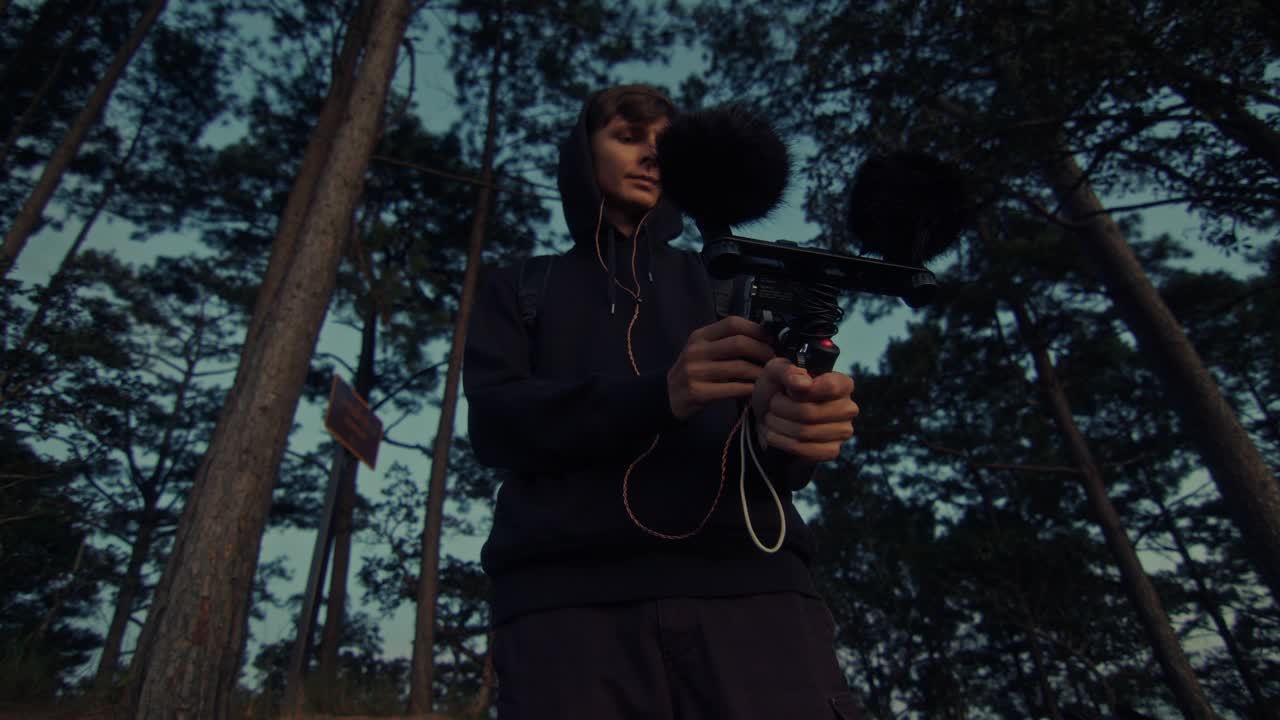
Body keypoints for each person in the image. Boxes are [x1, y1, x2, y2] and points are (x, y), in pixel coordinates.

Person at [463, 84, 864, 719]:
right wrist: (661, 394)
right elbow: (495, 424)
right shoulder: (521, 288)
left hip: (755, 604)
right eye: (627, 138)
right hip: (567, 615)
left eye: (664, 146)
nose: (651, 156)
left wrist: (798, 428)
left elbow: (782, 460)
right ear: (580, 155)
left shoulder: (732, 284)